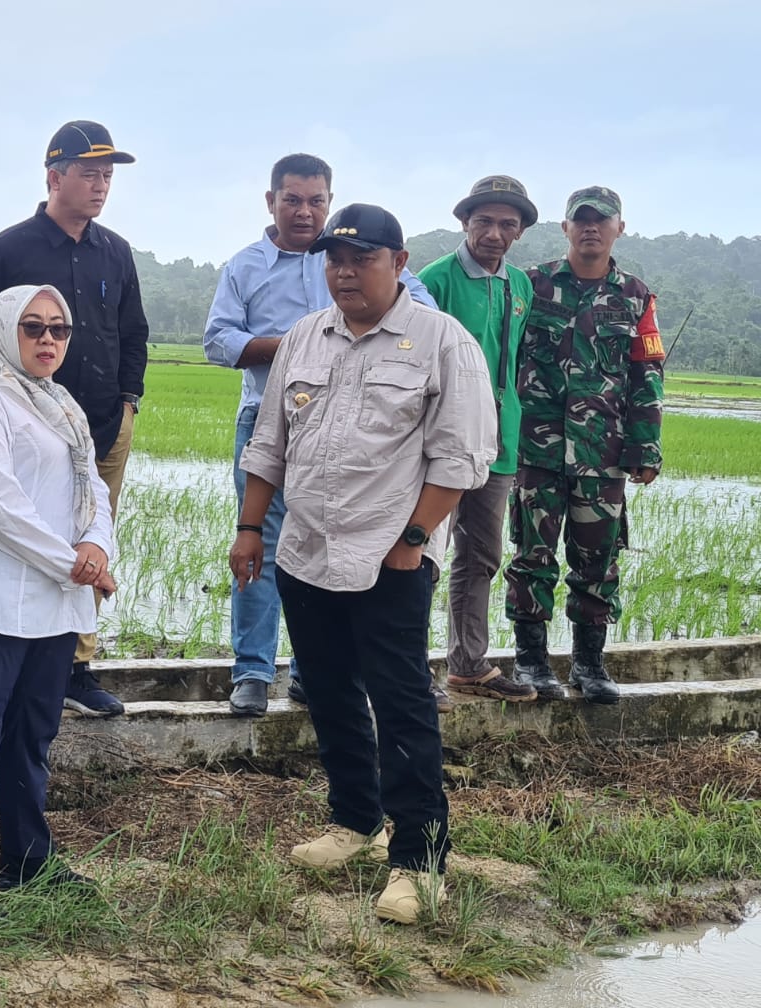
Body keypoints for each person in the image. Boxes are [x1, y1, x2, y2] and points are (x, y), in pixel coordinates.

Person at [229, 203, 496, 926]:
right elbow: (269, 444)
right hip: (305, 550)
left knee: (402, 702)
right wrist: (252, 526)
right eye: (334, 260)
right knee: (329, 691)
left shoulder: (442, 342)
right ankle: (355, 821)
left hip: (390, 557)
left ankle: (418, 859)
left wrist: (412, 540)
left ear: (399, 263)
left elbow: (463, 456)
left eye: (362, 259)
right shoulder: (305, 339)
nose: (344, 272)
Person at [203, 154, 438, 717]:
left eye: (316, 202)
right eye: (292, 200)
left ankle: (315, 671)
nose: (304, 212)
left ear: (329, 203)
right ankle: (254, 672)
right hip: (267, 421)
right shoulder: (245, 266)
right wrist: (295, 347)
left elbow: (422, 317)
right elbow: (218, 341)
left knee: (327, 546)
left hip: (353, 436)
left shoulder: (359, 260)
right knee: (257, 542)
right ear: (271, 202)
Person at [0, 285, 116, 912]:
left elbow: (95, 492)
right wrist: (76, 564)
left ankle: (27, 861)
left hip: (54, 603)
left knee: (32, 735)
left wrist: (96, 547)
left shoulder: (62, 405)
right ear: (5, 331)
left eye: (59, 329)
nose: (47, 340)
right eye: (33, 327)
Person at [0, 121, 144, 719]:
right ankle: (21, 659)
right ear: (54, 175)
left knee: (91, 538)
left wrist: (128, 400)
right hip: (27, 433)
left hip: (102, 427)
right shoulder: (9, 250)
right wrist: (20, 400)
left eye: (108, 175)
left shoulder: (115, 250)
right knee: (26, 533)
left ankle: (74, 666)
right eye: (89, 173)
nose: (101, 184)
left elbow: (134, 332)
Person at [505, 187, 663, 704]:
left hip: (604, 454)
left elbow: (647, 376)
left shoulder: (637, 296)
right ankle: (530, 662)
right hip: (536, 451)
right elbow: (503, 358)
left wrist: (645, 448)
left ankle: (589, 665)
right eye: (582, 219)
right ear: (566, 227)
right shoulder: (530, 286)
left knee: (598, 563)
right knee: (532, 557)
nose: (591, 227)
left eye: (602, 220)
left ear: (620, 227)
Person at [418, 176, 539, 703]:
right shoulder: (434, 280)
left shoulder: (521, 286)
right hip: (439, 440)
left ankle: (467, 664)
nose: (494, 233)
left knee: (482, 554)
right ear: (465, 222)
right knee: (418, 552)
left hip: (500, 440)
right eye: (484, 221)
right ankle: (406, 666)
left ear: (519, 231)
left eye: (507, 224)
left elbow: (511, 362)